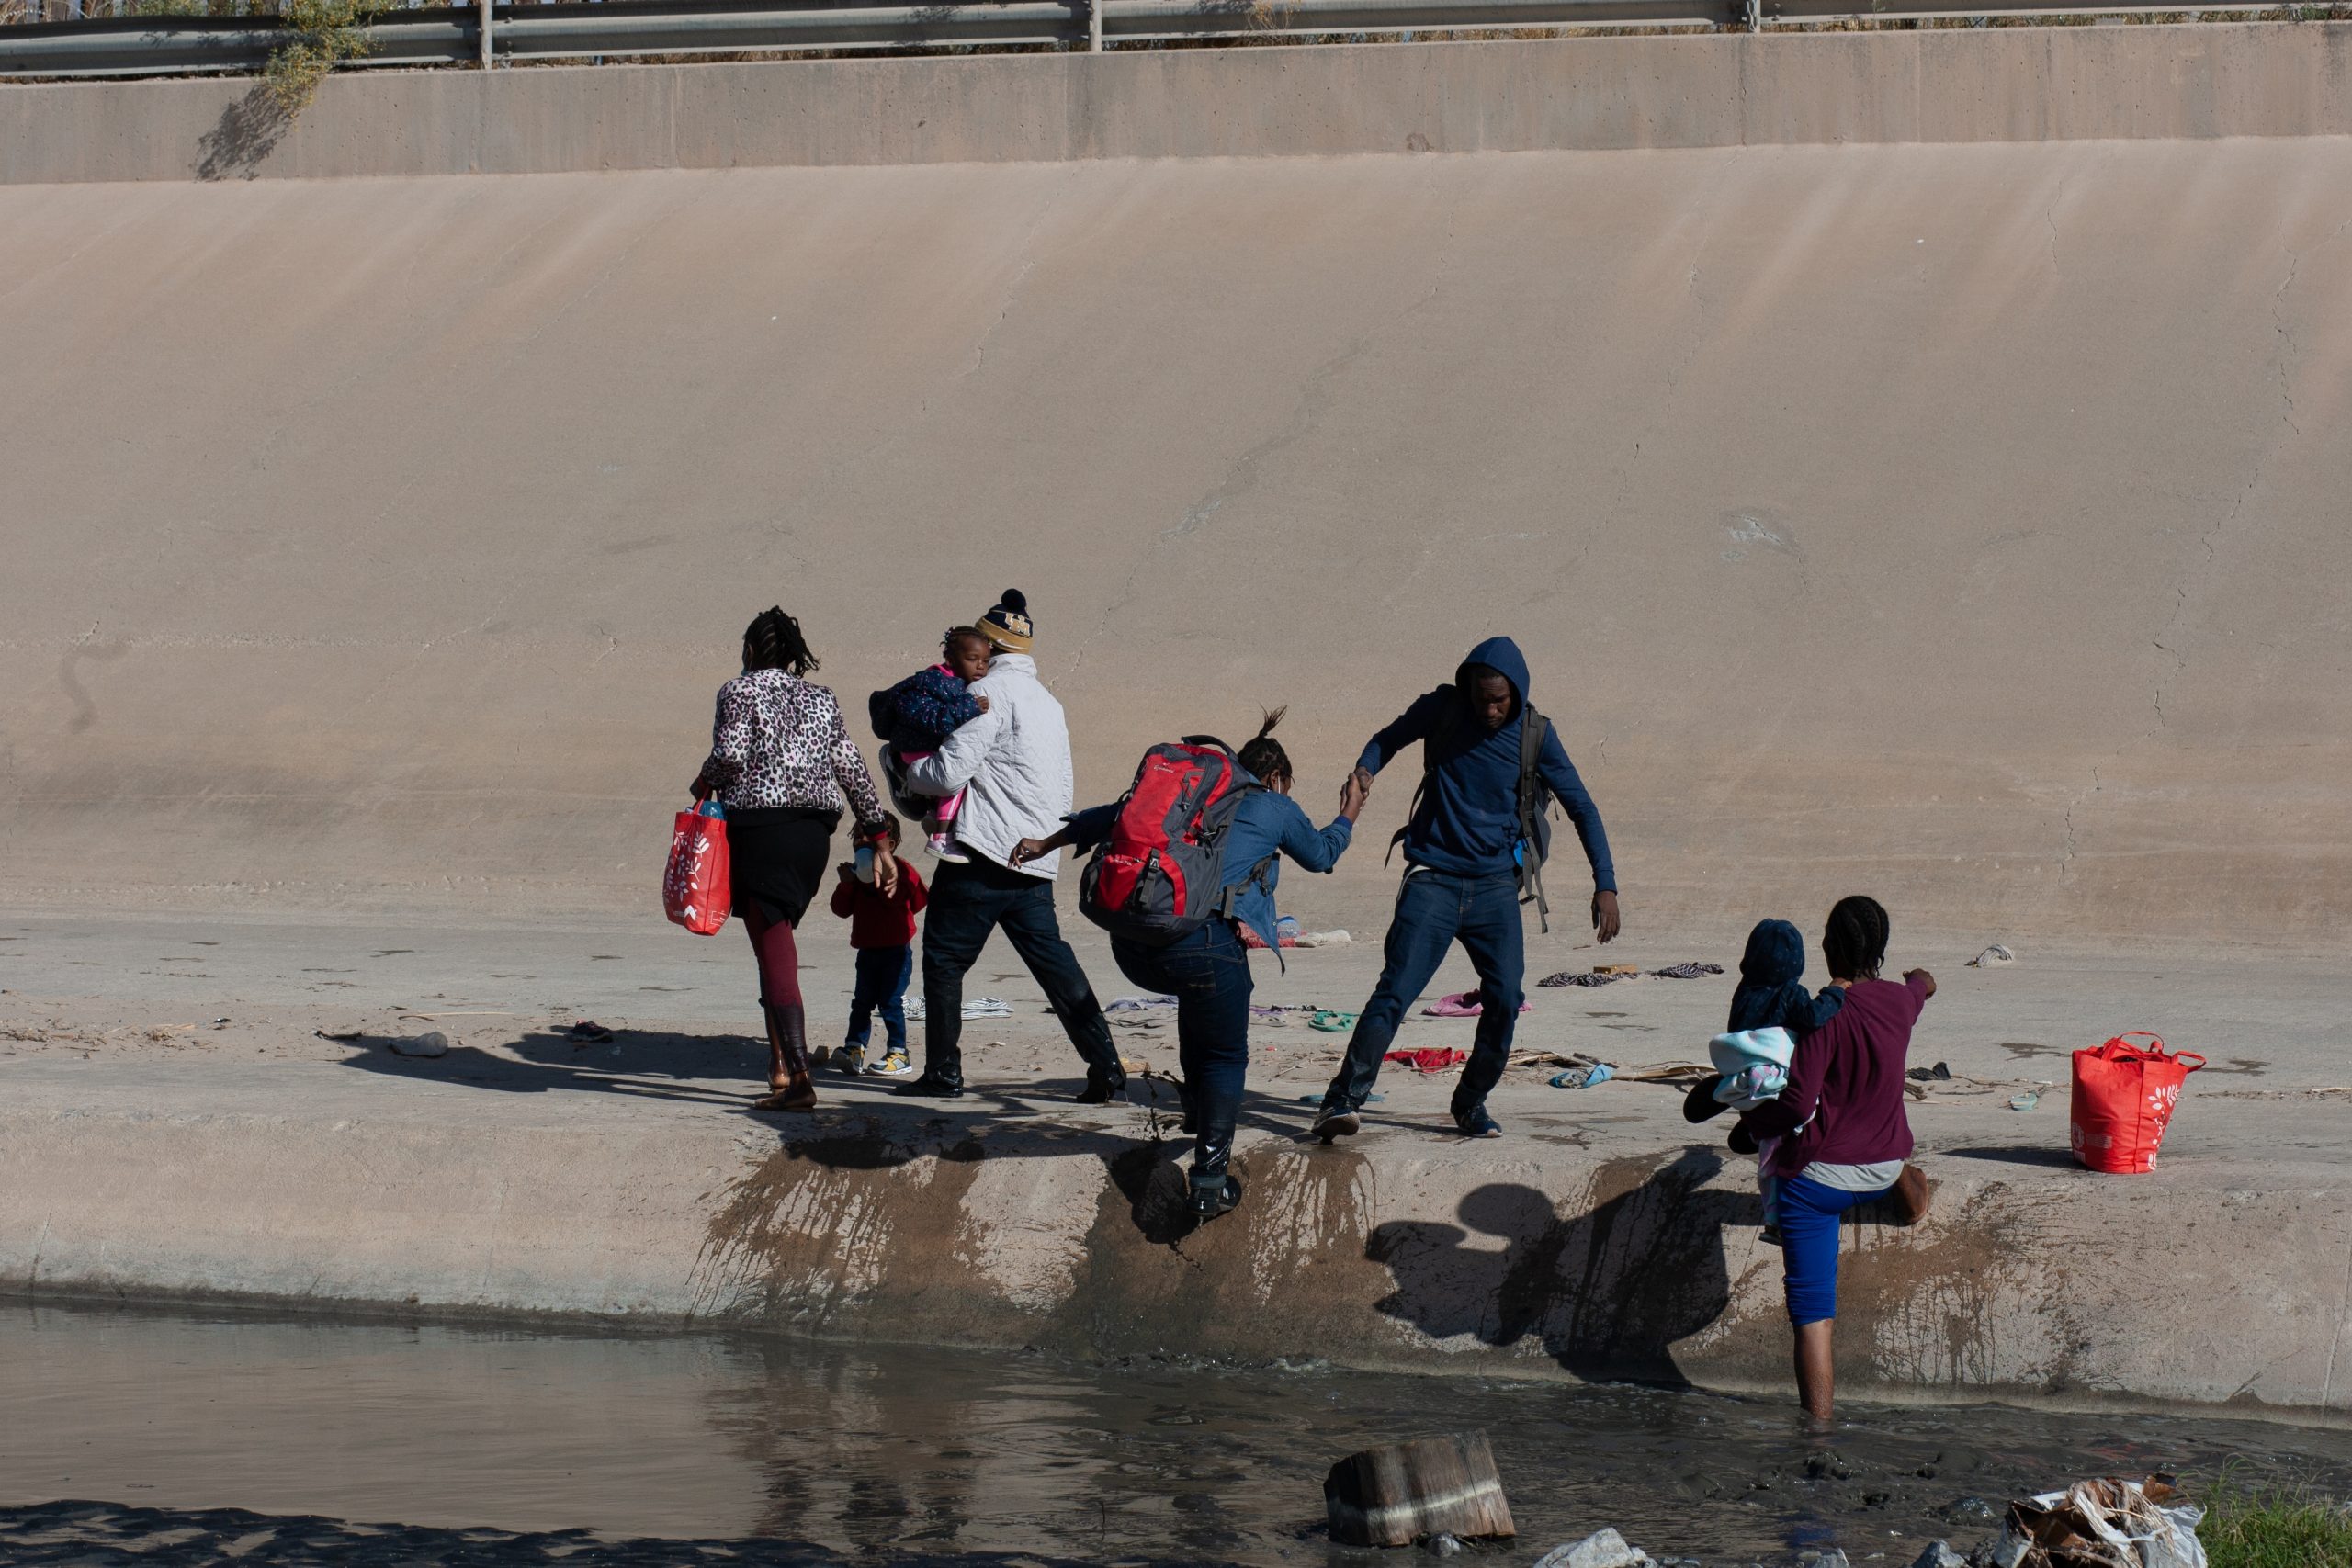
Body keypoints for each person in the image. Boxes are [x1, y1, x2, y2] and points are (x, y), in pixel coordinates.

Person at [1011, 710, 1368, 1219]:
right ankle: (1209, 1181)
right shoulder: (1272, 806)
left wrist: (1045, 844)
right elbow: (1322, 855)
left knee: (1198, 1004)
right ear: (1274, 778)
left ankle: (1197, 1111)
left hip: (1134, 945)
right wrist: (1349, 810)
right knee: (1225, 1052)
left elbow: (1106, 817)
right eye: (1284, 785)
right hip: (1200, 946)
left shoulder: (1185, 798)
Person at [1313, 637, 1621, 1143]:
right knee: (1396, 992)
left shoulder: (1536, 734)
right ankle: (1341, 1100)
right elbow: (1387, 738)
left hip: (1494, 887)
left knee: (1505, 998)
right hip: (1432, 877)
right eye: (1482, 697)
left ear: (1517, 693)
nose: (1490, 708)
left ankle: (1470, 1101)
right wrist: (1366, 770)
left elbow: (1583, 807)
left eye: (1499, 698)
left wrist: (1604, 884)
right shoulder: (1443, 708)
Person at [893, 591, 1127, 1103]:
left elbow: (950, 770)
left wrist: (905, 769)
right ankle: (1107, 1069)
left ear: (990, 649)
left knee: (944, 961)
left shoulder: (988, 694)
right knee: (1055, 968)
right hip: (1036, 855)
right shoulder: (1050, 702)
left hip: (982, 854)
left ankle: (943, 1072)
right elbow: (1061, 784)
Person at [1735, 895, 1935, 1423]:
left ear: (1828, 949)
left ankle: (1818, 1435)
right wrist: (1922, 980)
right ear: (1881, 949)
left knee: (1813, 1318)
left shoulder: (1826, 1012)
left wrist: (1756, 1127)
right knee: (1899, 1165)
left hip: (1819, 1183)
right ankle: (1913, 1199)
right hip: (1884, 1165)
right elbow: (1922, 988)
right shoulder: (1900, 1001)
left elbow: (1798, 1103)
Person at [693, 606, 899, 1112]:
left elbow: (732, 753)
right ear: (792, 654)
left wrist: (703, 780)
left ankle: (800, 1078)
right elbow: (851, 766)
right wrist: (878, 834)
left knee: (775, 949)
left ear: (748, 651)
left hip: (761, 832)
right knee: (774, 944)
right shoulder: (820, 698)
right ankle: (780, 1069)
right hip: (812, 837)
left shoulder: (738, 691)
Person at [1682, 918, 1847, 1242]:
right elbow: (1813, 1017)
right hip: (1777, 1079)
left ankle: (1738, 1106)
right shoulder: (1791, 992)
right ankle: (1776, 1221)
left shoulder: (1744, 991)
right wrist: (1835, 992)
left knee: (1761, 1118)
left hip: (1744, 1067)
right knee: (1777, 1155)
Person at [870, 627, 993, 862]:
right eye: (972, 659)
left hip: (926, 749)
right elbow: (934, 719)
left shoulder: (955, 683)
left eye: (985, 661)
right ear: (950, 659)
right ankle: (941, 837)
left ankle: (932, 812)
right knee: (956, 778)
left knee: (953, 774)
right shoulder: (933, 683)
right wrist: (969, 707)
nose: (980, 666)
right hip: (915, 750)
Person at [827, 814, 926, 1077]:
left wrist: (880, 877)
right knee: (862, 1002)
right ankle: (854, 1048)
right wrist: (848, 885)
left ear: (890, 844)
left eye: (869, 837)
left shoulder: (902, 871)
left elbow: (914, 900)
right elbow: (840, 910)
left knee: (891, 1002)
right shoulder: (856, 876)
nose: (861, 841)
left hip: (896, 951)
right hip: (868, 950)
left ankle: (898, 1053)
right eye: (857, 836)